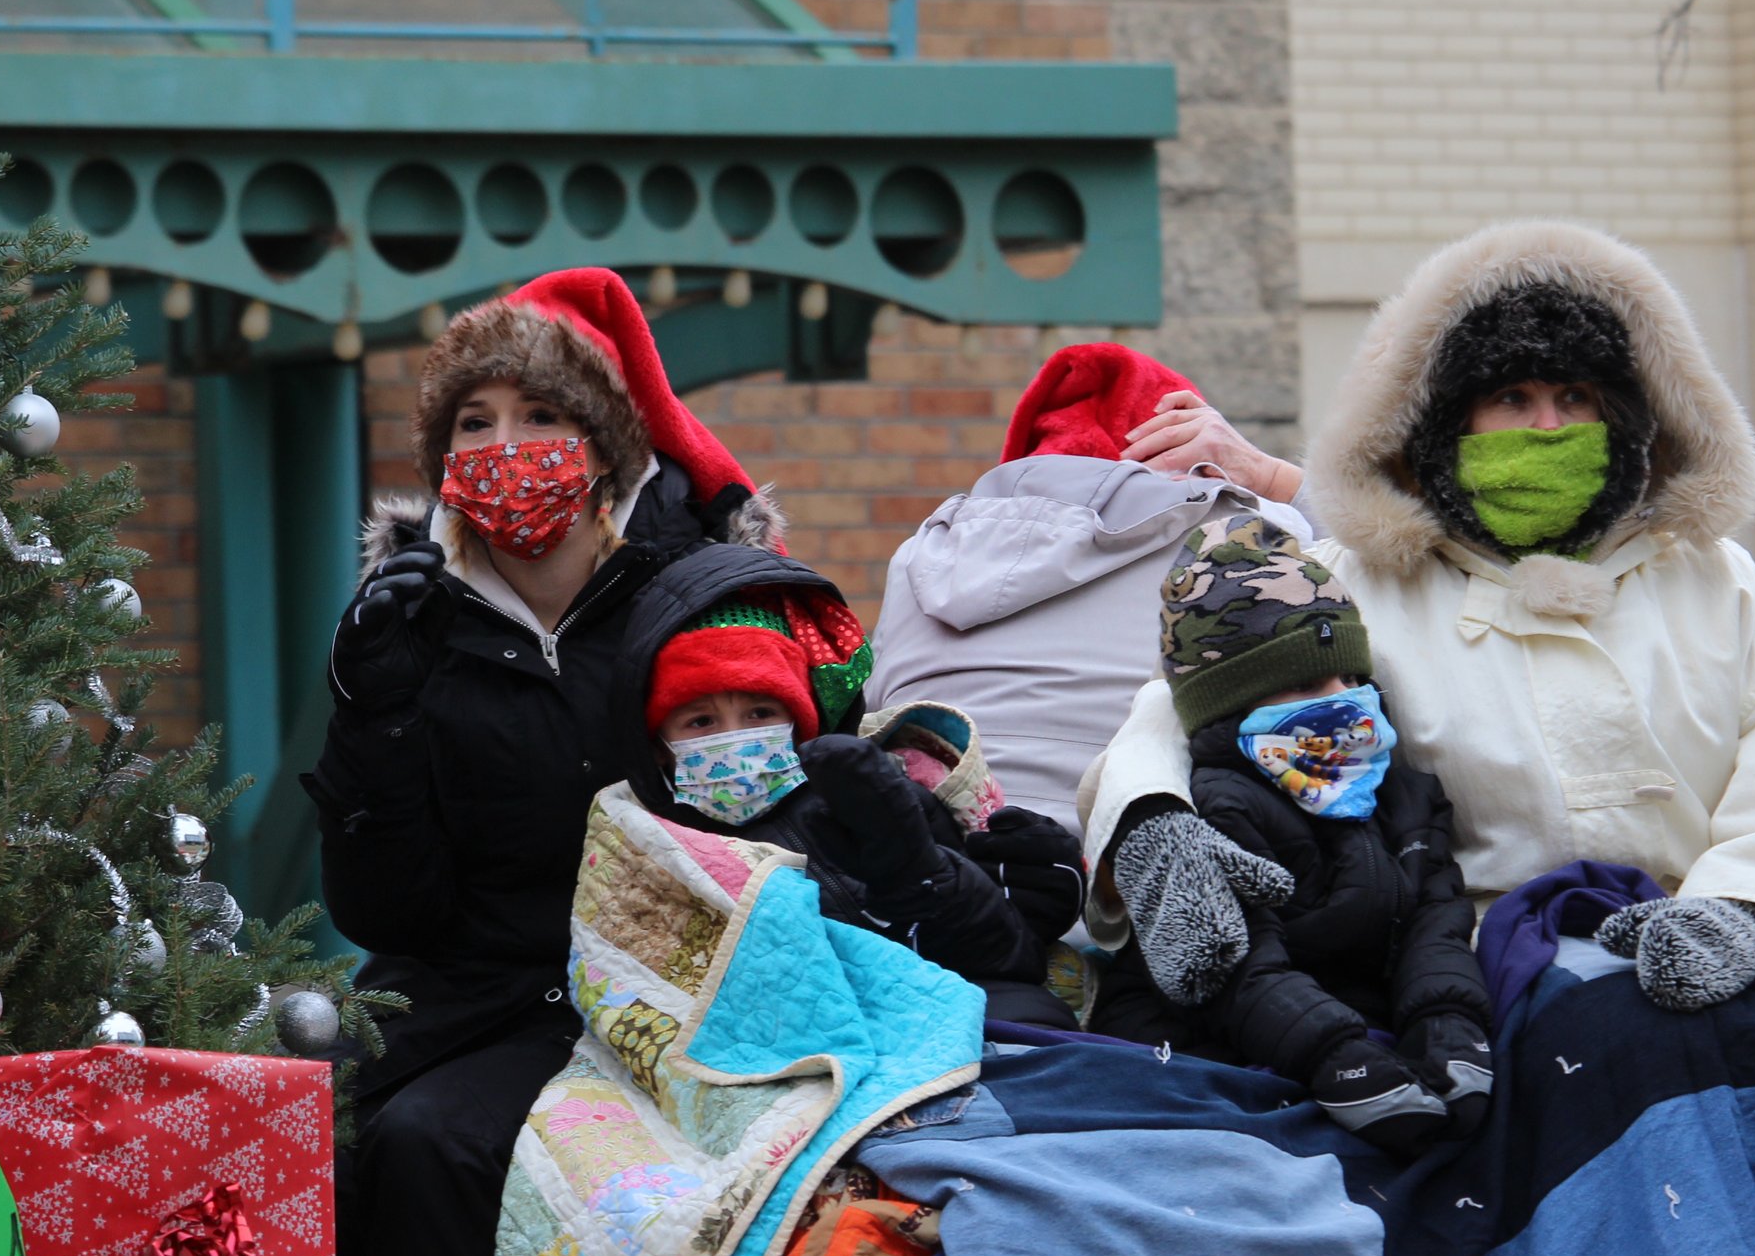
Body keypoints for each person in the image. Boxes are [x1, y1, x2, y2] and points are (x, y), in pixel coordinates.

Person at [1083, 220, 1755, 1015]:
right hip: (1469, 983)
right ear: (1442, 422)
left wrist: (1746, 908)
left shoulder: (1715, 581)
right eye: (1513, 397)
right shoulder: (1350, 585)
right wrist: (1153, 825)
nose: (1548, 426)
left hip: (1717, 967)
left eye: (1574, 396)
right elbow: (1170, 716)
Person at [305, 268, 785, 1256]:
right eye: (471, 421)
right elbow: (387, 909)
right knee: (405, 1140)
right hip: (476, 1005)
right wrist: (372, 714)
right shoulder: (410, 623)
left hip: (679, 997)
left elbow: (769, 817)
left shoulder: (698, 602)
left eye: (540, 413)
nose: (500, 443)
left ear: (605, 448)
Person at [1093, 514, 1493, 1156]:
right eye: (1307, 685)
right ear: (1234, 702)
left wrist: (1448, 1022)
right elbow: (1237, 966)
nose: (1345, 703)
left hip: (1356, 1025)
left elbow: (1435, 918)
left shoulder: (1402, 789)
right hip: (1223, 1035)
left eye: (1352, 679)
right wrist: (1336, 1057)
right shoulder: (1217, 805)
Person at [613, 543, 1089, 1030]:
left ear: (801, 722)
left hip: (922, 1013)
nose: (734, 739)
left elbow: (1001, 958)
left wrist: (914, 867)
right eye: (700, 721)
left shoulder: (872, 795)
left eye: (760, 714)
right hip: (774, 1039)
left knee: (1030, 1016)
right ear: (655, 745)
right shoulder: (640, 841)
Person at [868, 342, 1312, 843]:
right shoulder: (1249, 537)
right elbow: (1401, 573)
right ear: (1198, 461)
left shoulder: (922, 554)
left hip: (938, 889)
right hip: (1143, 894)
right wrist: (1276, 478)